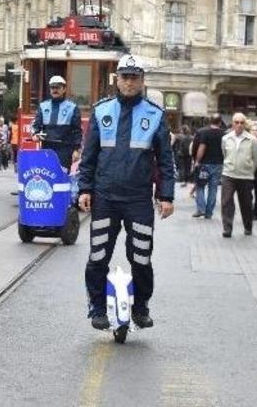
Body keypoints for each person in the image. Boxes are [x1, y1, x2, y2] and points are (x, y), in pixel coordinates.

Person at [78, 54, 174, 330]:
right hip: (105, 197)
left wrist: (166, 196)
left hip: (138, 200)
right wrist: (85, 188)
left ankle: (141, 307)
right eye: (125, 77)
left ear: (142, 80)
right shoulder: (101, 111)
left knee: (141, 257)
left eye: (134, 77)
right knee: (98, 256)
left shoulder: (155, 115)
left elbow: (165, 160)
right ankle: (97, 308)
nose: (129, 82)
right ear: (116, 80)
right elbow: (89, 156)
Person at [31, 75, 83, 172]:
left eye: (58, 88)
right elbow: (35, 126)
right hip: (47, 148)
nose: (55, 90)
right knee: (46, 174)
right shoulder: (43, 106)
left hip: (65, 149)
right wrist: (35, 134)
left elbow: (77, 131)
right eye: (52, 88)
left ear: (64, 89)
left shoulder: (72, 107)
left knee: (61, 176)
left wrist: (76, 150)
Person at [220, 114, 257, 237]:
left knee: (246, 203)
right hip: (228, 174)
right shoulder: (226, 138)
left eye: (242, 122)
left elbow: (256, 158)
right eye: (236, 122)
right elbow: (224, 153)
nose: (239, 125)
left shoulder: (252, 140)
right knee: (226, 202)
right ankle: (227, 228)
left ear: (244, 124)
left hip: (245, 176)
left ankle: (248, 226)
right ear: (232, 123)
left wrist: (249, 170)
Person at [191, 114, 225, 219]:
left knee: (200, 186)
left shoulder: (205, 132)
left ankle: (201, 209)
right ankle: (209, 212)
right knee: (213, 188)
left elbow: (202, 147)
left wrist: (197, 161)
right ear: (220, 122)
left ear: (210, 121)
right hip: (219, 164)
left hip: (205, 164)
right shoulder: (224, 134)